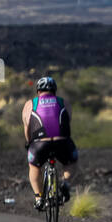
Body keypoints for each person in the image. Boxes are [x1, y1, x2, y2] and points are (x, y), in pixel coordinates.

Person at [22, 76, 76, 210]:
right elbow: (66, 122)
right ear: (54, 90)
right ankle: (66, 184)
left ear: (38, 91)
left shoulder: (30, 104)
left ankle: (39, 198)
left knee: (34, 167)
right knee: (71, 163)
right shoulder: (64, 102)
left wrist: (29, 143)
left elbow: (27, 127)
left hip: (39, 144)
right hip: (62, 141)